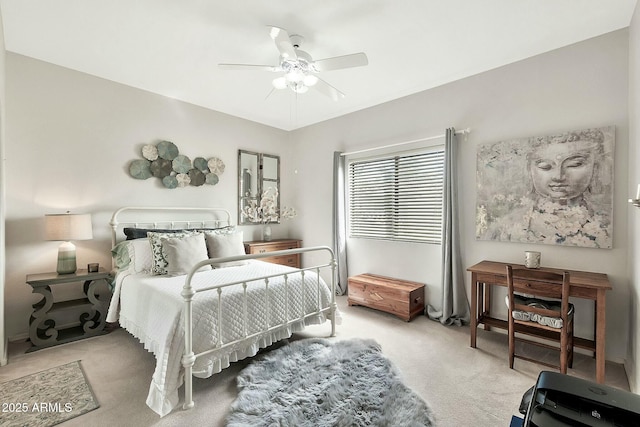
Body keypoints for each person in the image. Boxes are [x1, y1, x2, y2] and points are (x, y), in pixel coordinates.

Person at [477, 128, 612, 248]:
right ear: (529, 170)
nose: (558, 176)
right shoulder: (507, 226)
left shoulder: (606, 225)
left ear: (595, 166)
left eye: (574, 164)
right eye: (545, 167)